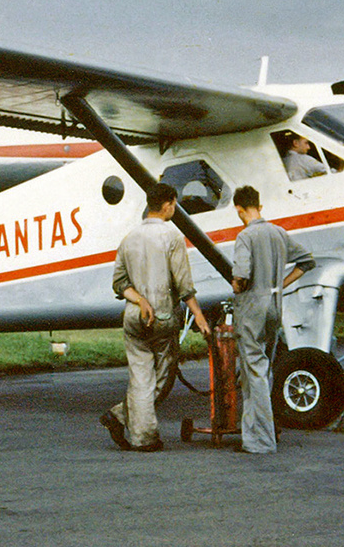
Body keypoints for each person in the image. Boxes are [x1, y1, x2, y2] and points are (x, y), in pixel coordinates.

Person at [101, 182, 212, 451]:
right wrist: (199, 315)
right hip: (162, 317)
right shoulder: (171, 237)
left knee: (141, 378)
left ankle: (122, 419)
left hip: (133, 317)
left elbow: (119, 283)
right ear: (168, 204)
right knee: (162, 377)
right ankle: (141, 435)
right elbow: (184, 285)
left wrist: (139, 300)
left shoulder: (129, 238)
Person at [230, 185, 315, 454]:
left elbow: (241, 276)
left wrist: (237, 284)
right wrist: (281, 283)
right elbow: (306, 261)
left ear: (239, 210)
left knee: (252, 372)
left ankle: (261, 441)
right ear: (260, 207)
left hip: (252, 306)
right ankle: (258, 432)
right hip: (275, 305)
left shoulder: (245, 236)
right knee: (263, 370)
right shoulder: (278, 233)